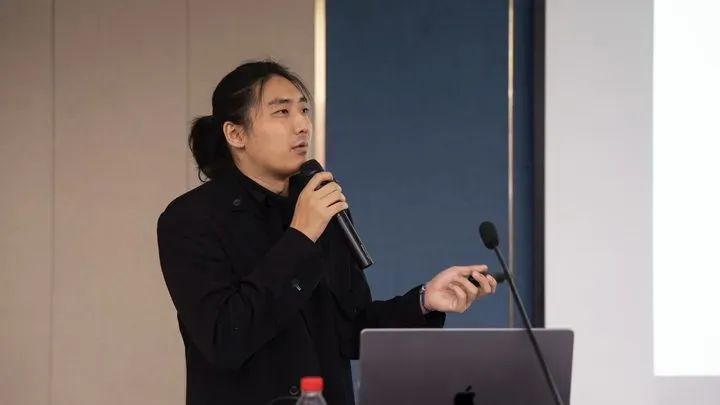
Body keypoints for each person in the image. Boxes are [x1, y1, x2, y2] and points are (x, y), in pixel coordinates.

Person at [156, 60, 497, 405]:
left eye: (304, 110)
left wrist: (423, 300)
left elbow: (349, 328)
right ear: (236, 134)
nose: (302, 125)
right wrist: (301, 237)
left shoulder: (319, 205)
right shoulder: (190, 219)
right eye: (282, 112)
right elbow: (225, 339)